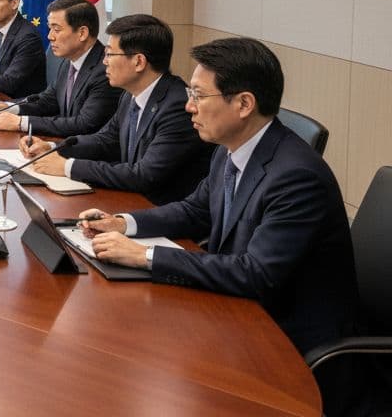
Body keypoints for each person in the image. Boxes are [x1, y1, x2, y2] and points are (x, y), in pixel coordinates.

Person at [78, 37, 358, 361]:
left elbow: (255, 273)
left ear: (243, 104)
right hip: (238, 312)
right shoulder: (230, 149)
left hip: (288, 341)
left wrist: (145, 256)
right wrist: (123, 223)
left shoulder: (297, 177)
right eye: (189, 94)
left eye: (198, 95)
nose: (189, 106)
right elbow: (195, 210)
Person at [20, 14, 213, 205]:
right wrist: (53, 148)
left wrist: (68, 167)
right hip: (130, 201)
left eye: (110, 54)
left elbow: (144, 175)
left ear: (139, 62)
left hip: (162, 215)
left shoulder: (177, 106)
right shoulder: (130, 94)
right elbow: (106, 140)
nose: (104, 61)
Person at [0, 0, 119, 136]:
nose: (50, 36)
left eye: (57, 29)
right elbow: (47, 101)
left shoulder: (105, 71)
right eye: (50, 28)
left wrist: (21, 122)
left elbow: (83, 124)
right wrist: (8, 108)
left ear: (82, 33)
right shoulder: (69, 62)